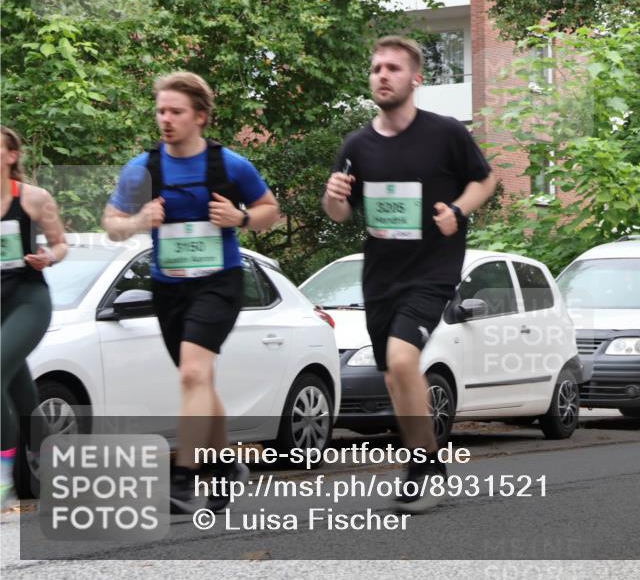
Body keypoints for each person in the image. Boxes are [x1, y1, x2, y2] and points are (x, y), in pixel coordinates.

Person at [324, 36, 496, 513]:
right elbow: (339, 214)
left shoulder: (444, 134)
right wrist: (335, 197)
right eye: (376, 67)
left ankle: (421, 468)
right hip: (380, 277)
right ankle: (430, 461)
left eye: (393, 68)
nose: (382, 75)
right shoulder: (357, 145)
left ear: (416, 78)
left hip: (432, 271)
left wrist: (458, 212)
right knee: (395, 376)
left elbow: (486, 179)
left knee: (403, 361)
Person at [102, 72, 280, 513]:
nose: (165, 119)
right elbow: (111, 224)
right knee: (201, 379)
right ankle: (225, 466)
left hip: (219, 282)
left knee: (193, 375)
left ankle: (183, 478)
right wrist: (139, 221)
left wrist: (239, 219)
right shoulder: (143, 169)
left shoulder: (230, 166)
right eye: (160, 111)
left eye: (175, 112)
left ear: (199, 116)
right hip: (169, 288)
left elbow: (270, 212)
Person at [1, 125, 68, 507]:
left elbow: (60, 245)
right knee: (22, 395)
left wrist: (48, 257)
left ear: (11, 156)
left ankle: (3, 480)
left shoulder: (33, 199)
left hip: (28, 300)